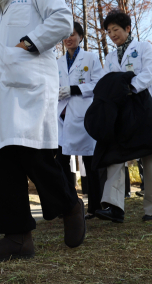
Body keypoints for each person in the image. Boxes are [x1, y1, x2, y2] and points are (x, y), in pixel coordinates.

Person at [0, 0, 85, 263]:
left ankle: (69, 205)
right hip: (3, 93)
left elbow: (62, 20)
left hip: (30, 86)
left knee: (33, 154)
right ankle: (17, 237)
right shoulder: (2, 5)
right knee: (4, 160)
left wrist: (28, 44)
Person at [95, 10, 152, 223]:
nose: (112, 34)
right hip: (119, 109)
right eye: (108, 31)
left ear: (127, 29)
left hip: (140, 105)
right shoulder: (109, 56)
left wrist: (129, 87)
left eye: (115, 29)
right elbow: (107, 81)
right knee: (115, 155)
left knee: (149, 156)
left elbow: (150, 71)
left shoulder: (143, 47)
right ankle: (114, 207)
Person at [57, 21, 104, 219]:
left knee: (90, 162)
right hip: (63, 115)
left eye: (73, 34)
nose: (69, 38)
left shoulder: (90, 58)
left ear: (81, 37)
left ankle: (95, 207)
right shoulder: (58, 62)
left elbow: (99, 83)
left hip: (85, 115)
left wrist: (75, 89)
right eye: (66, 35)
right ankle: (69, 205)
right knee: (61, 161)